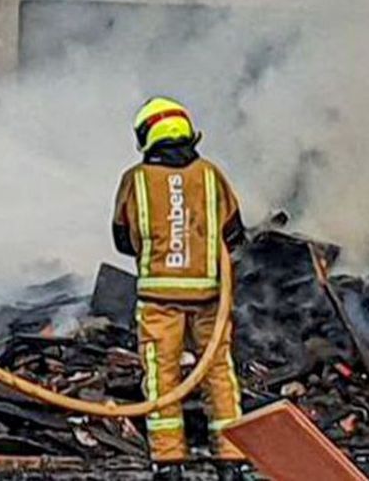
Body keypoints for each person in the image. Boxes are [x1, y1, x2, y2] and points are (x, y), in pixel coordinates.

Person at [112, 97, 252, 481]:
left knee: (162, 379)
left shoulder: (135, 180)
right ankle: (232, 460)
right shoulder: (211, 176)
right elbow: (235, 233)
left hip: (159, 302)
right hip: (210, 300)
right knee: (219, 374)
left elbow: (122, 240)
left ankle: (169, 463)